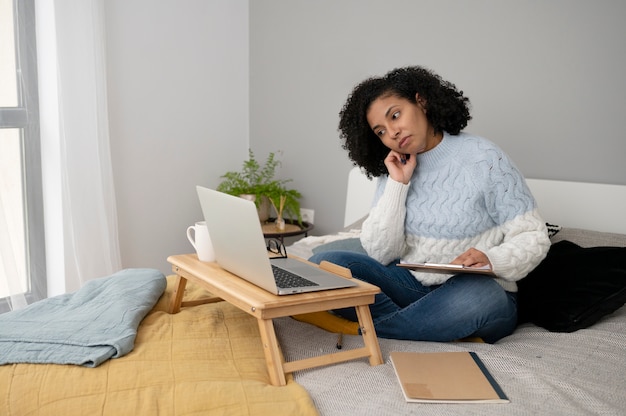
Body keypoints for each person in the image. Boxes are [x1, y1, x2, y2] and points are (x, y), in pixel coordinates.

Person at [309, 66, 550, 343]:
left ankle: (368, 328)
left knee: (479, 298)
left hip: (476, 291)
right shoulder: (395, 169)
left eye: (395, 115)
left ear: (421, 101)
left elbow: (533, 235)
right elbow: (381, 254)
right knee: (325, 264)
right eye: (381, 131)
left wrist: (491, 260)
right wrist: (398, 184)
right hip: (410, 286)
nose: (393, 133)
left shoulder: (483, 159)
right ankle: (424, 324)